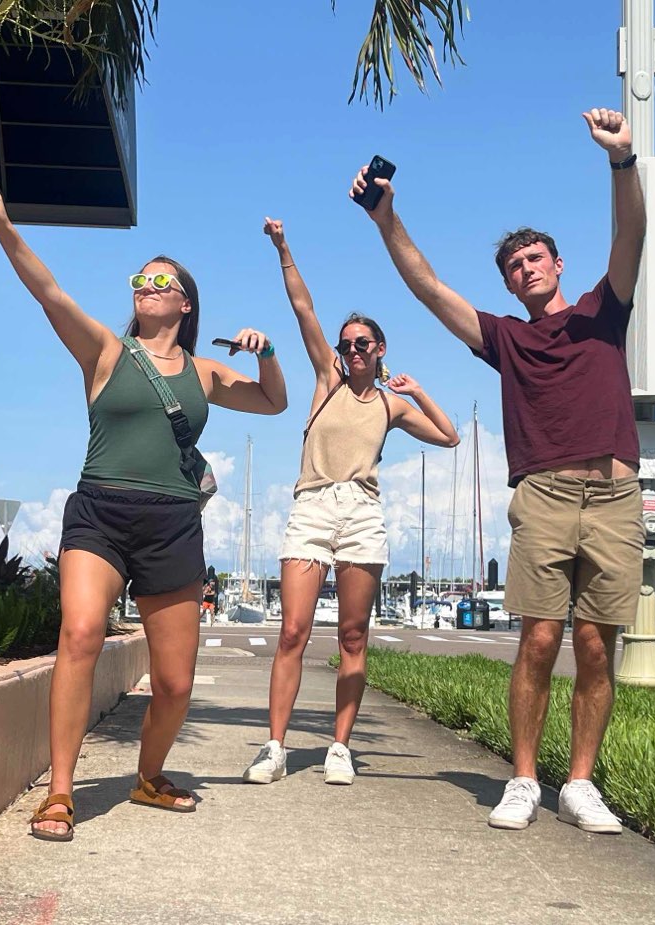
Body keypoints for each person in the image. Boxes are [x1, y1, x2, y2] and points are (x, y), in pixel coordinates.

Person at [353, 109, 645, 834]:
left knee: (595, 643)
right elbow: (428, 288)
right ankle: (521, 779)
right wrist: (386, 217)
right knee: (541, 636)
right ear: (511, 285)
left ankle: (580, 782)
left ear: (559, 263)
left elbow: (631, 235)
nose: (526, 269)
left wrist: (621, 161)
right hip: (543, 493)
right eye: (514, 267)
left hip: (614, 493)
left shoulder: (602, 312)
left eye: (535, 258)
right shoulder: (506, 338)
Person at [0, 190, 289, 842]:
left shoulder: (204, 373)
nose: (147, 287)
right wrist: (4, 226)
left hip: (173, 524)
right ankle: (60, 792)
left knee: (174, 683)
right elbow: (50, 293)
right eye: (140, 280)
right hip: (101, 513)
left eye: (160, 281)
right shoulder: (106, 352)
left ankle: (149, 775)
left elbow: (275, 403)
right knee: (80, 632)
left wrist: (266, 351)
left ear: (185, 303)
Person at [243, 218, 459, 787]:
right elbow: (302, 308)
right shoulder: (327, 379)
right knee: (293, 631)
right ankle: (275, 746)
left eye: (362, 344)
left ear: (380, 348)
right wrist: (284, 246)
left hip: (362, 513)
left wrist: (416, 392)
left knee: (354, 637)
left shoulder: (390, 405)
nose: (353, 350)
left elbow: (449, 437)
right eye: (347, 344)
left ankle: (341, 746)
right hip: (312, 505)